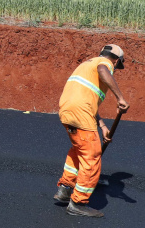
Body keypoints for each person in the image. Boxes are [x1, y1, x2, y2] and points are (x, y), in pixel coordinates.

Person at [53, 44, 130, 217]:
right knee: (92, 155)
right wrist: (120, 98)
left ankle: (65, 189)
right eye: (117, 66)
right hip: (81, 112)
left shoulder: (87, 65)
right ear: (116, 61)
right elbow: (104, 69)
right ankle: (78, 203)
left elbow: (87, 102)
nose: (115, 69)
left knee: (78, 150)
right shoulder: (104, 64)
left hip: (67, 110)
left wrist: (102, 127)